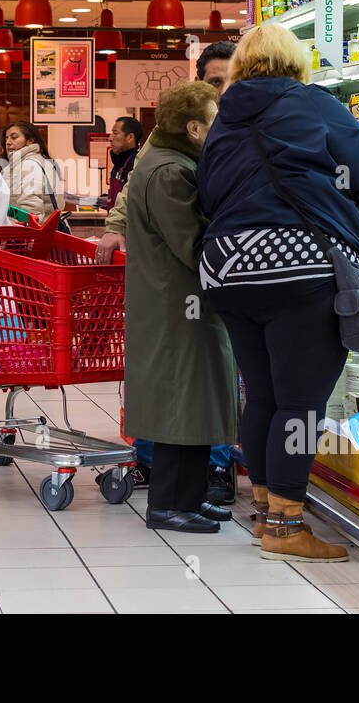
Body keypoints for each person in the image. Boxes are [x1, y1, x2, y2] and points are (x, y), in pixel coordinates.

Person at [197, 24, 359, 561]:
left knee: (262, 394)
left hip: (227, 268)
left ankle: (264, 512)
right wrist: (341, 208)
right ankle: (286, 527)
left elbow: (208, 193)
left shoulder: (224, 118)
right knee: (300, 404)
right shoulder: (313, 103)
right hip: (299, 266)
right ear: (297, 62)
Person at [96, 42, 237, 498]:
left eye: (229, 80)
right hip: (181, 293)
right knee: (185, 383)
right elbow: (189, 239)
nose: (224, 90)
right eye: (215, 82)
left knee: (191, 383)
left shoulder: (201, 143)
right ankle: (177, 485)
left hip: (183, 294)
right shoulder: (168, 162)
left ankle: (193, 479)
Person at [122, 81, 239, 534]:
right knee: (177, 404)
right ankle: (167, 505)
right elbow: (193, 245)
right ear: (193, 127)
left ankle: (187, 498)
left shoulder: (170, 162)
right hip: (176, 305)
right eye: (214, 120)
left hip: (179, 303)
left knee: (192, 402)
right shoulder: (170, 173)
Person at [2, 121, 66, 224]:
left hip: (29, 236)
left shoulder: (29, 165)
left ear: (30, 141)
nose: (8, 142)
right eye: (6, 138)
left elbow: (30, 210)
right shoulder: (35, 161)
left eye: (14, 137)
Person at [99, 116, 142, 210]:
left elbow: (131, 203)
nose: (110, 138)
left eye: (115, 133)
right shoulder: (119, 164)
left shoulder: (136, 165)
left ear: (130, 137)